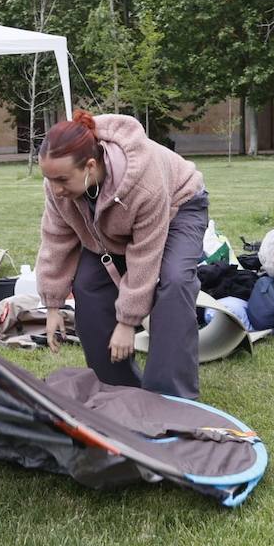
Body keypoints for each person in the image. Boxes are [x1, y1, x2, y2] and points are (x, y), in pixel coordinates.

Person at [36, 110, 209, 398]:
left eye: (62, 180)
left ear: (90, 166)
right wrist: (52, 306)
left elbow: (145, 255)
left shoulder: (144, 182)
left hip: (179, 206)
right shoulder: (60, 187)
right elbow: (56, 239)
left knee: (174, 281)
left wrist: (127, 322)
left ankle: (170, 397)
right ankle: (118, 391)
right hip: (110, 224)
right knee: (88, 285)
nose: (55, 189)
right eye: (49, 179)